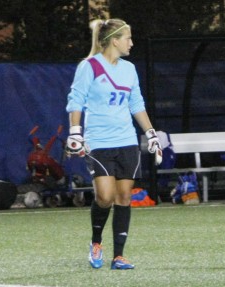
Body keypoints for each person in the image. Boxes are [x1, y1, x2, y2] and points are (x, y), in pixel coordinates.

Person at [65, 18, 162, 270]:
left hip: (127, 141)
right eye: (128, 38)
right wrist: (75, 132)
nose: (131, 43)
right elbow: (76, 100)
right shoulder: (89, 66)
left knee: (124, 196)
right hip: (98, 141)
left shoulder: (128, 69)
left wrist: (150, 133)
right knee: (105, 196)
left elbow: (136, 103)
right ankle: (96, 242)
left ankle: (119, 255)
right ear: (114, 40)